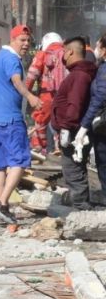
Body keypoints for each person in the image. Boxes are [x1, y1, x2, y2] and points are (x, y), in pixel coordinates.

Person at [0, 25, 43, 225]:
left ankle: (0, 205)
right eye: (22, 40)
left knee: (0, 164)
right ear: (13, 39)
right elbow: (16, 81)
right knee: (20, 160)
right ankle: (1, 203)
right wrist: (31, 97)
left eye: (28, 41)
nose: (26, 44)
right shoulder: (11, 59)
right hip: (10, 118)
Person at [51, 37, 98, 209]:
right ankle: (79, 200)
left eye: (64, 51)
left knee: (72, 168)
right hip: (75, 130)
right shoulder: (80, 73)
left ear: (70, 52)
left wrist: (66, 127)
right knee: (76, 166)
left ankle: (79, 204)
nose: (62, 55)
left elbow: (75, 103)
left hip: (73, 131)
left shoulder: (79, 76)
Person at [25, 32, 67, 154]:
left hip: (46, 94)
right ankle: (59, 147)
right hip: (64, 95)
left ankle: (39, 147)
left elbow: (32, 74)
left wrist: (26, 93)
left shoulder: (42, 54)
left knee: (40, 120)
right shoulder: (66, 53)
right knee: (60, 121)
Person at [77, 34, 106, 204]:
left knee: (103, 161)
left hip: (103, 125)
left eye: (99, 46)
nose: (96, 49)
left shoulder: (103, 70)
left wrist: (84, 125)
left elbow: (100, 98)